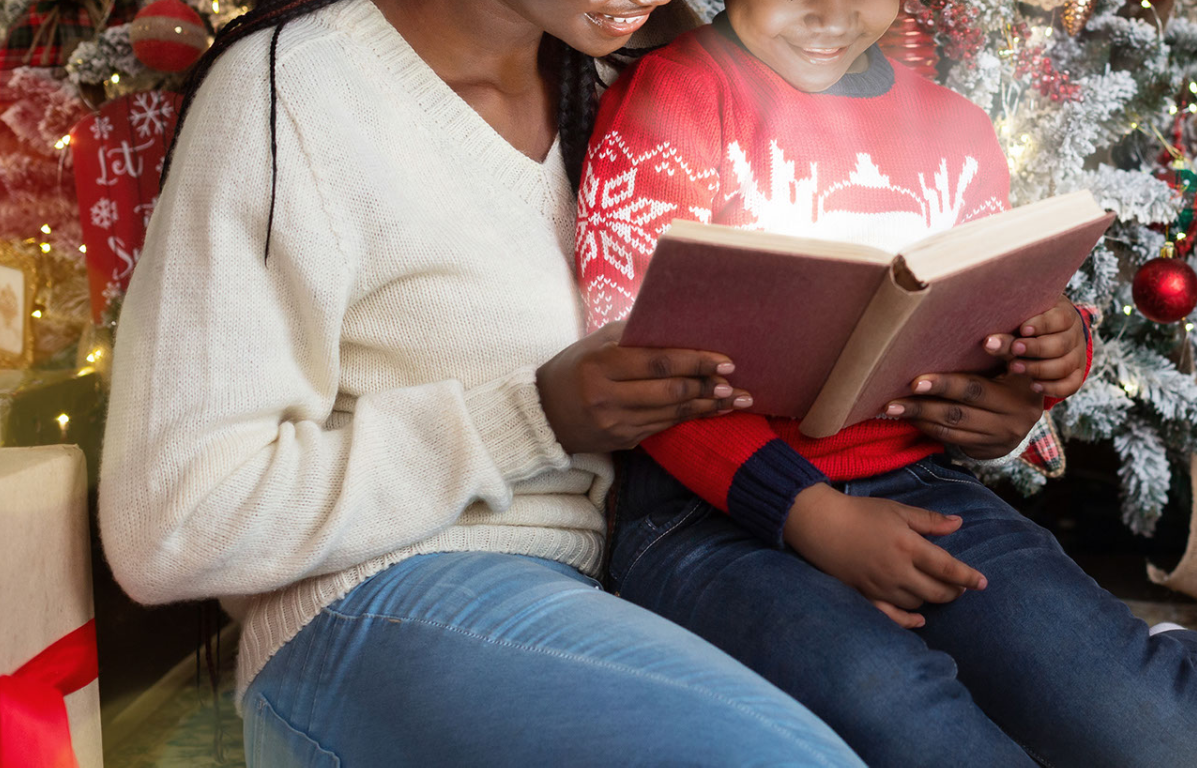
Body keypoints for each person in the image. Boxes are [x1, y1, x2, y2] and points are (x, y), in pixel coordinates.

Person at [98, 1, 873, 764]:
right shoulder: (297, 91)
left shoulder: (651, 79)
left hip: (652, 574)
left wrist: (963, 388)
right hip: (384, 603)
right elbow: (172, 519)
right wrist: (530, 417)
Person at [575, 0, 1197, 765]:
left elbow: (990, 311)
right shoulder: (675, 97)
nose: (828, 13)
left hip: (920, 493)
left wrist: (1049, 352)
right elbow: (644, 374)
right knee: (902, 710)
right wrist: (809, 517)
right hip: (702, 520)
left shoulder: (957, 130)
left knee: (1146, 718)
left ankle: (1182, 678)